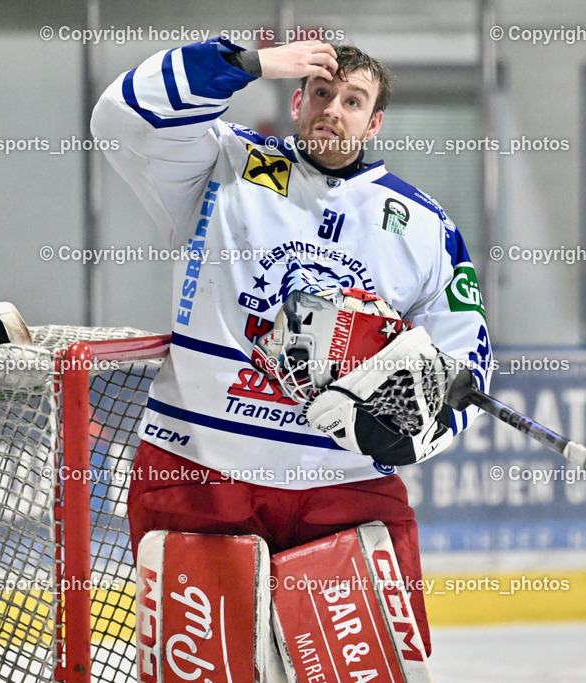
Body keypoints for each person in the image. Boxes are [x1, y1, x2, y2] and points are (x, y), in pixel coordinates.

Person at [91, 37, 491, 657]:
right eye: (322, 93)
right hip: (199, 472)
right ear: (298, 101)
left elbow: (465, 363)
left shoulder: (423, 225)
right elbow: (121, 116)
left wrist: (411, 429)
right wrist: (242, 64)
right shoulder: (224, 162)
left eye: (353, 101)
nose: (333, 109)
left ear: (375, 122)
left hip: (345, 487)